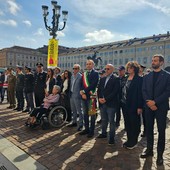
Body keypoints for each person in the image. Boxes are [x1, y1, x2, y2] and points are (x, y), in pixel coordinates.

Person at [140, 54, 170, 166]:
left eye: (155, 61)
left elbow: (168, 91)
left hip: (161, 107)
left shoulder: (167, 76)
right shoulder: (147, 76)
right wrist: (149, 102)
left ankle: (160, 155)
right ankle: (149, 150)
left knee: (161, 131)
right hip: (148, 107)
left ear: (161, 62)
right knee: (149, 130)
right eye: (152, 60)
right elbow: (143, 90)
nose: (153, 62)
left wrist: (155, 102)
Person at [122, 61, 143, 149]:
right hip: (125, 104)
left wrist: (140, 106)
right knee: (127, 123)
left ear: (134, 68)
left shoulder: (139, 79)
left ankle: (134, 141)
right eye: (128, 67)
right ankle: (129, 139)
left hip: (134, 105)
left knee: (134, 123)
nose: (129, 69)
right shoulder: (126, 78)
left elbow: (141, 94)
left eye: (130, 67)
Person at [97, 64, 119, 145]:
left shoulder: (116, 79)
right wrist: (99, 98)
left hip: (111, 104)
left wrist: (106, 99)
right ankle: (103, 133)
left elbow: (115, 92)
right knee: (103, 120)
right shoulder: (102, 79)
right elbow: (99, 90)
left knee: (111, 121)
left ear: (112, 70)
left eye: (108, 69)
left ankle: (111, 138)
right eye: (105, 69)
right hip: (102, 103)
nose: (106, 70)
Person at [79, 60, 99, 138]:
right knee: (85, 114)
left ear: (93, 65)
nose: (88, 65)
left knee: (92, 114)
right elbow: (81, 84)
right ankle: (86, 129)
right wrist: (82, 93)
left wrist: (84, 91)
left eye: (90, 64)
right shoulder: (84, 74)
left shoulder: (96, 73)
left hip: (91, 97)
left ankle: (91, 130)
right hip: (84, 97)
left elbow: (93, 85)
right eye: (87, 64)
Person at [67, 64, 83, 131]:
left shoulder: (81, 76)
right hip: (72, 95)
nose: (74, 70)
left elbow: (82, 86)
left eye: (76, 68)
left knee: (79, 111)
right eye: (73, 68)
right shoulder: (72, 76)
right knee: (73, 110)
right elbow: (71, 85)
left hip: (78, 96)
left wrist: (80, 94)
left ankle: (81, 124)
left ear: (79, 69)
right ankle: (74, 122)